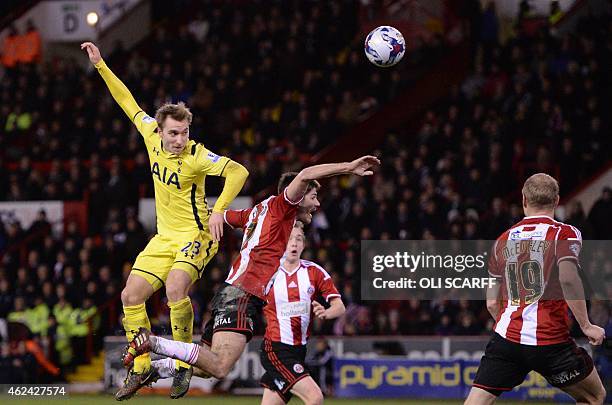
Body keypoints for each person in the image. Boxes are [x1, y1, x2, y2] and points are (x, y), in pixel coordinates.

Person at [81, 42, 249, 400]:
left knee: (175, 288)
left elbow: (238, 171)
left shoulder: (197, 155)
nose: (180, 140)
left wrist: (220, 208)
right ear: (159, 131)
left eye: (184, 132)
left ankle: (184, 364)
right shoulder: (149, 135)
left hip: (198, 234)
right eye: (174, 133)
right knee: (130, 295)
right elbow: (127, 102)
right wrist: (100, 65)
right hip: (164, 237)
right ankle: (141, 369)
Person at [122, 156, 380, 386]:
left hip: (232, 293)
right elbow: (304, 175)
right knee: (221, 367)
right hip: (243, 294)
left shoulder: (258, 210)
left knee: (207, 367)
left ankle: (155, 369)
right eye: (313, 197)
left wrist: (194, 215)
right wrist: (347, 167)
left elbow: (220, 217)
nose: (317, 204)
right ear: (298, 196)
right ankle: (152, 342)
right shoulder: (282, 206)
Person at [142, 223, 345, 405]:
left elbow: (339, 306)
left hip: (299, 350)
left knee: (210, 368)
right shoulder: (268, 272)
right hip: (277, 349)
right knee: (315, 397)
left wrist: (326, 312)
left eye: (299, 239)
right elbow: (239, 288)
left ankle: (158, 367)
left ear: (304, 244)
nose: (294, 243)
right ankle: (156, 345)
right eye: (290, 238)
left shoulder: (314, 272)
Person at [465, 173, 606, 405]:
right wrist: (586, 325)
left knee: (475, 403)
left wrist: (509, 327)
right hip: (550, 341)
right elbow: (569, 279)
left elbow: (491, 302)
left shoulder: (502, 240)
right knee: (593, 396)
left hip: (507, 339)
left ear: (524, 200)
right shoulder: (565, 233)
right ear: (557, 200)